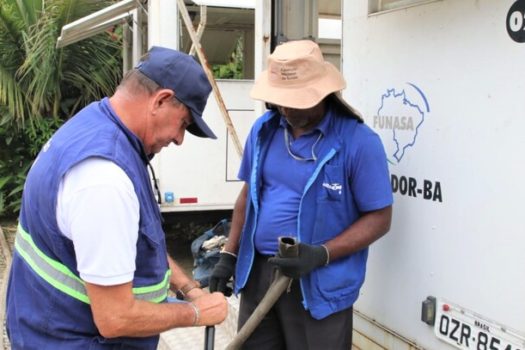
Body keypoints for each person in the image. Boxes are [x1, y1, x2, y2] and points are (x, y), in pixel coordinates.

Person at [6, 46, 228, 349]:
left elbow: (128, 244)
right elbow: (115, 319)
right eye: (184, 124)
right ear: (161, 100)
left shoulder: (96, 123)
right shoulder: (104, 180)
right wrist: (195, 313)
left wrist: (187, 287)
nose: (178, 139)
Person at [209, 40, 393, 349]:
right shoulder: (264, 131)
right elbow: (248, 196)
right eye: (281, 100)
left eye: (296, 100)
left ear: (322, 92)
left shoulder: (358, 142)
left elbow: (380, 218)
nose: (286, 108)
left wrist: (321, 254)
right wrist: (229, 254)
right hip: (259, 275)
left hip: (319, 284)